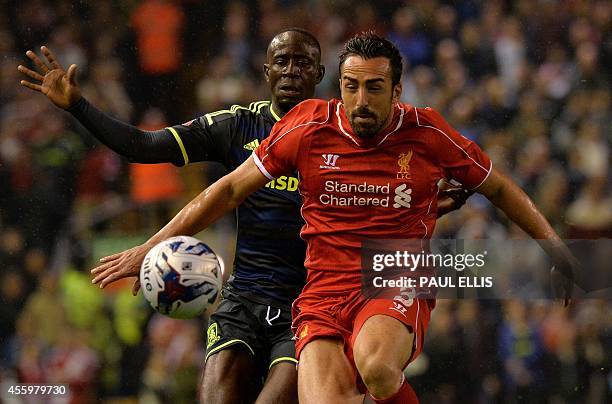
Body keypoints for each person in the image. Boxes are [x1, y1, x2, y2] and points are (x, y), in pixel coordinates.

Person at [83, 31, 576, 403]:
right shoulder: (309, 126)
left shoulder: (427, 133)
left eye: (375, 88)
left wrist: (553, 246)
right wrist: (150, 247)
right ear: (338, 84)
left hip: (391, 269)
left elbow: (499, 187)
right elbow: (228, 189)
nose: (361, 101)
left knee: (378, 367)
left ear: (397, 89)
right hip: (320, 289)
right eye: (351, 87)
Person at [18, 29, 470, 403]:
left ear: (319, 74)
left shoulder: (350, 134)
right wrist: (79, 106)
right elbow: (144, 146)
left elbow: (395, 197)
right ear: (266, 70)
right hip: (245, 297)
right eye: (282, 61)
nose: (292, 71)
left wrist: (425, 201)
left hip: (310, 303)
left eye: (303, 63)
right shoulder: (236, 126)